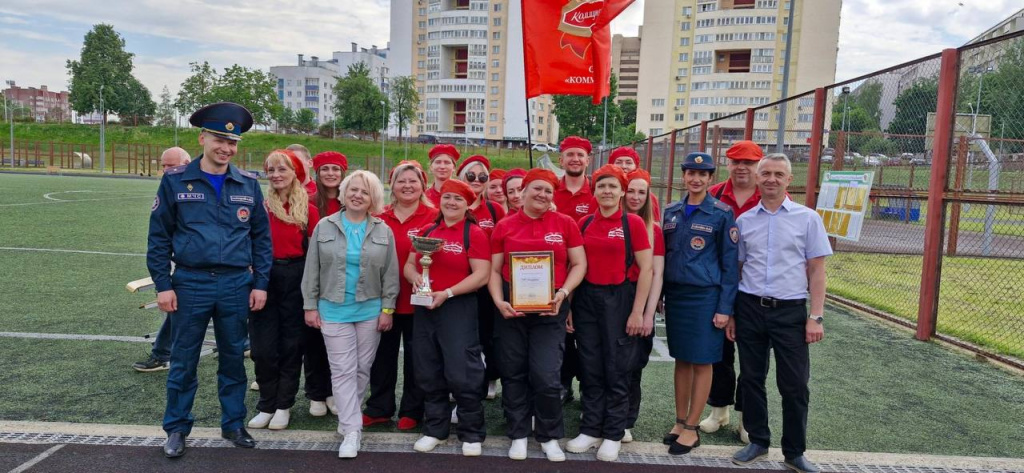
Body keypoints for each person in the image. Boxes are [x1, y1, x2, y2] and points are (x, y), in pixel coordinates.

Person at [148, 102, 271, 458]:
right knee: (184, 359)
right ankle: (176, 427)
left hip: (236, 285)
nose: (226, 148)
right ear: (202, 138)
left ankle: (233, 423)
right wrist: (163, 285)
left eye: (232, 143)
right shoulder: (175, 181)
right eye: (219, 139)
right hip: (190, 283)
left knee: (233, 358)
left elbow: (261, 240)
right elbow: (158, 237)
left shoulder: (248, 184)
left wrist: (260, 283)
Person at [728, 154, 831, 473]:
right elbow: (739, 268)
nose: (771, 179)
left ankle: (794, 451)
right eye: (766, 174)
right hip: (750, 308)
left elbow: (817, 271)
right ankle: (758, 440)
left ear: (789, 180)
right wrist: (731, 313)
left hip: (790, 312)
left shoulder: (808, 218)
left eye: (778, 174)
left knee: (795, 384)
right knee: (752, 378)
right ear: (758, 179)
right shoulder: (744, 221)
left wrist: (815, 316)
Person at [489, 169, 587, 462]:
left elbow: (579, 264)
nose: (542, 195)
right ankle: (518, 434)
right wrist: (498, 301)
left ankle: (548, 435)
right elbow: (494, 271)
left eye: (548, 191)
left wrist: (564, 293)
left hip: (551, 307)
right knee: (513, 371)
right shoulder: (505, 226)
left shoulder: (565, 223)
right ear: (523, 191)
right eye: (537, 189)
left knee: (546, 375)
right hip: (511, 308)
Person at [301, 170, 399, 459]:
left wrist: (387, 309)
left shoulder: (383, 230)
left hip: (370, 310)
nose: (358, 195)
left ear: (373, 199)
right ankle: (352, 430)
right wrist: (310, 305)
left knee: (361, 369)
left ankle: (348, 419)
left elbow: (391, 274)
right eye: (353, 189)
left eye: (365, 192)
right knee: (342, 370)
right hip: (332, 310)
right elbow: (312, 269)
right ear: (343, 193)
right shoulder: (324, 226)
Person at [565, 165, 653, 462]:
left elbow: (647, 271)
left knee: (617, 369)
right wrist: (570, 306)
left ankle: (613, 432)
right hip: (587, 299)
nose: (607, 191)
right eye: (601, 186)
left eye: (613, 186)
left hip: (620, 299)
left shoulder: (633, 224)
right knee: (590, 366)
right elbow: (577, 266)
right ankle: (591, 428)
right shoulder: (584, 222)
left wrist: (637, 312)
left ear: (622, 192)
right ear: (594, 190)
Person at [406, 179, 491, 457]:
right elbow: (409, 264)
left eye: (458, 199)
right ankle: (435, 429)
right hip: (425, 307)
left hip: (457, 307)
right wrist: (417, 278)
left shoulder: (474, 234)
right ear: (439, 200)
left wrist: (448, 293)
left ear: (468, 205)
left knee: (462, 372)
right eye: (447, 197)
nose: (452, 203)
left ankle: (471, 432)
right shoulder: (427, 230)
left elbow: (481, 274)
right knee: (428, 369)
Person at [661, 152, 738, 455]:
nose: (695, 179)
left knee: (703, 360)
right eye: (690, 173)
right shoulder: (672, 211)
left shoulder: (721, 213)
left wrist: (725, 308)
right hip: (677, 296)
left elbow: (730, 266)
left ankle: (692, 428)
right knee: (681, 359)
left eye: (702, 174)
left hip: (706, 296)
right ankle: (680, 421)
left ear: (710, 179)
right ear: (684, 176)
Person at [247, 150, 320, 431]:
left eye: (283, 169)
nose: (276, 175)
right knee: (263, 347)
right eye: (271, 169)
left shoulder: (309, 210)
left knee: (292, 345)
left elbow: (315, 252)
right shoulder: (259, 205)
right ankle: (266, 403)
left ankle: (283, 405)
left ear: (296, 173)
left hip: (297, 277)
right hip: (263, 278)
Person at [364, 161, 437, 431]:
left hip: (421, 300)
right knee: (381, 357)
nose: (407, 186)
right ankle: (379, 408)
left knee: (418, 359)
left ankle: (412, 410)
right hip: (383, 300)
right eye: (401, 181)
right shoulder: (377, 217)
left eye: (413, 181)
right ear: (391, 185)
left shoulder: (435, 217)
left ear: (423, 185)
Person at [700, 140, 763, 441]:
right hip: (718, 287)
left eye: (749, 163)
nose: (742, 168)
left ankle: (747, 419)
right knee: (719, 354)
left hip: (753, 288)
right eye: (736, 161)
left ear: (758, 166)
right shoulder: (713, 194)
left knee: (752, 358)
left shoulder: (770, 196)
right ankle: (719, 410)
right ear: (727, 164)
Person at [133, 147, 191, 373]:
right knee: (178, 308)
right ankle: (162, 353)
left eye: (171, 165)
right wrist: (163, 281)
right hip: (184, 263)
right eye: (164, 165)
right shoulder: (169, 186)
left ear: (186, 162)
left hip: (202, 265)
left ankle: (162, 353)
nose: (166, 170)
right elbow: (159, 236)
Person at [456, 155, 506, 400]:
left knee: (488, 333)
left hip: (486, 282)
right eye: (471, 175)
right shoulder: (454, 204)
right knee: (462, 334)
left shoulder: (495, 209)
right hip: (457, 280)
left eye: (483, 177)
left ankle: (489, 377)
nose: (477, 180)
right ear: (461, 177)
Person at [621, 168, 665, 444]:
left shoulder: (654, 230)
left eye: (642, 192)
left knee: (632, 364)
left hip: (640, 297)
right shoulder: (608, 222)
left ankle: (625, 420)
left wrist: (648, 314)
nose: (635, 197)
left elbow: (656, 274)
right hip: (610, 298)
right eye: (631, 191)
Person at [552, 136, 596, 404]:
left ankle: (588, 389)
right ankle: (562, 382)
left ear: (588, 160)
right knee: (560, 334)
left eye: (580, 155)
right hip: (557, 275)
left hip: (590, 274)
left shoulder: (597, 191)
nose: (575, 159)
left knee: (588, 335)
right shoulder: (550, 191)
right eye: (570, 154)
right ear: (562, 159)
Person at [305, 151, 348, 417]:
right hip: (316, 281)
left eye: (335, 169)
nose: (330, 173)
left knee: (339, 342)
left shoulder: (352, 203)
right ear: (317, 174)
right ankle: (316, 393)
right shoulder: (309, 203)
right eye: (325, 169)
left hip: (343, 283)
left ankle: (334, 391)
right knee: (314, 339)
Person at [607, 147, 659, 221]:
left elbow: (655, 226)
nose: (623, 166)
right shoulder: (603, 194)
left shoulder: (649, 198)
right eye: (619, 162)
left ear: (636, 166)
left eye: (628, 162)